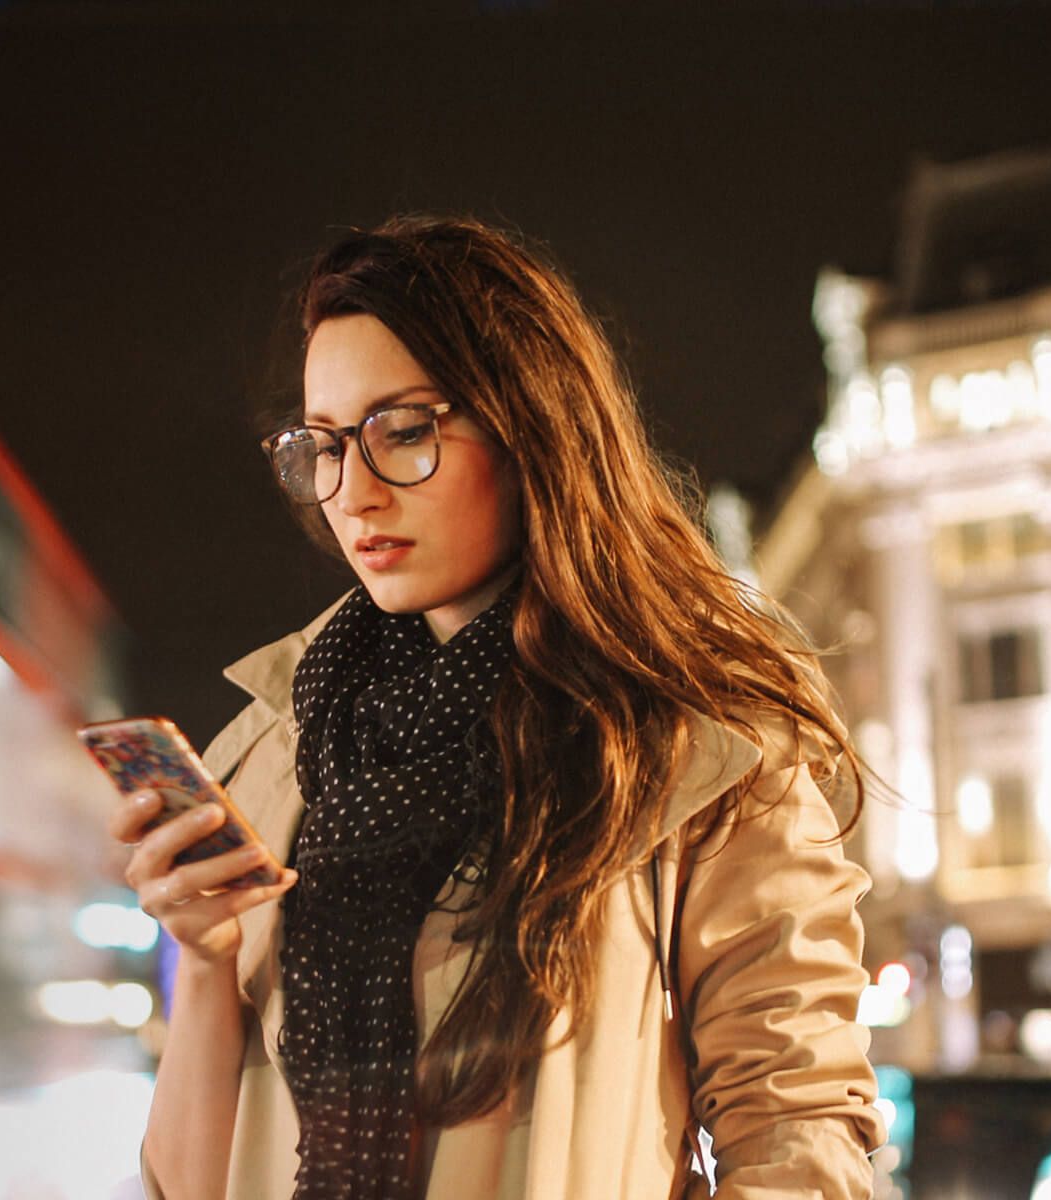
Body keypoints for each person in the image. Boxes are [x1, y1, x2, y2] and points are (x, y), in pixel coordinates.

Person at [108, 214, 882, 1200]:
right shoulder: (271, 745)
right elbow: (188, 1184)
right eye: (324, 445)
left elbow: (799, 1126)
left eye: (403, 432)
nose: (352, 493)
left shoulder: (698, 740)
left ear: (532, 427)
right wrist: (205, 958)